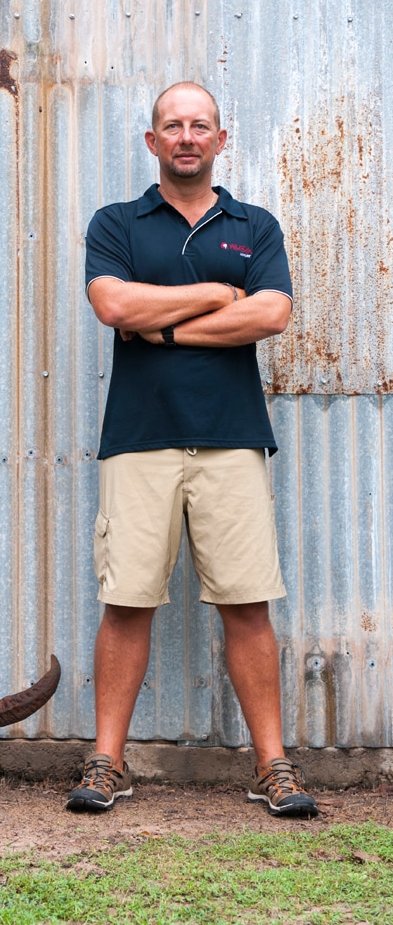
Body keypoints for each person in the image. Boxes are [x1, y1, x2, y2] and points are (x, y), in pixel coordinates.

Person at [66, 82, 318, 818]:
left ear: (219, 139)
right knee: (127, 602)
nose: (185, 136)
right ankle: (106, 761)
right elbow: (113, 305)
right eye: (172, 125)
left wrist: (166, 325)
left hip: (232, 438)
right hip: (138, 439)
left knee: (247, 604)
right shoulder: (117, 222)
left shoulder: (254, 225)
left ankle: (272, 764)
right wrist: (215, 295)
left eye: (199, 125)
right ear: (153, 142)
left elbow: (270, 313)